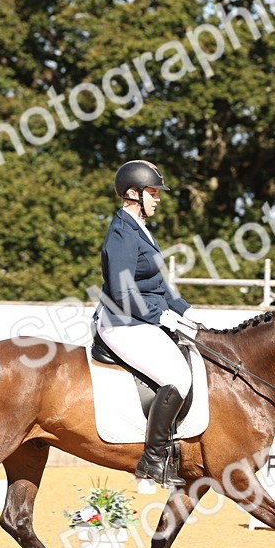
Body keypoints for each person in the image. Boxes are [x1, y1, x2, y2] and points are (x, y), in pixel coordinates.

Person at [94, 160, 200, 487]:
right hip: (121, 322)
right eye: (152, 193)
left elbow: (158, 285)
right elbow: (123, 290)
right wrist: (162, 317)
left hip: (140, 318)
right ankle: (153, 462)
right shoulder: (122, 233)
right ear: (132, 193)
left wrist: (186, 311)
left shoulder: (141, 228)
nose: (157, 199)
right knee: (177, 377)